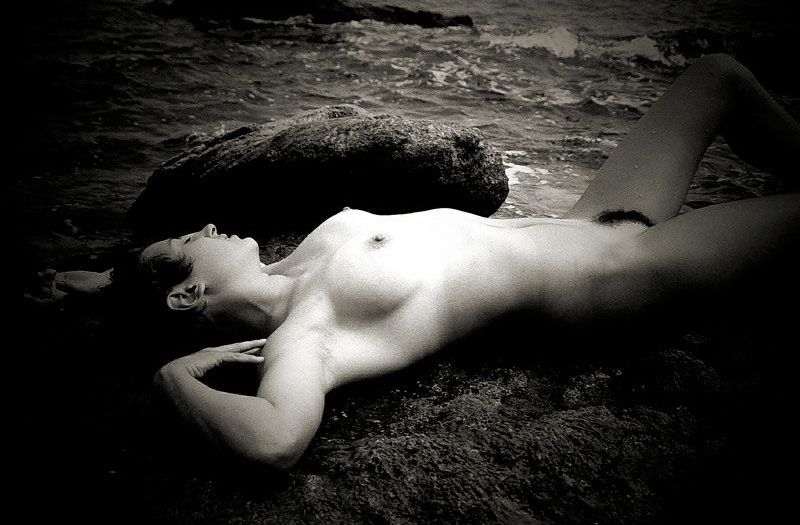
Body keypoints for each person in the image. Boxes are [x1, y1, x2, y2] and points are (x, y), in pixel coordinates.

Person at [33, 54, 800, 470]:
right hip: (624, 277)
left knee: (716, 77)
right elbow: (273, 441)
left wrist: (98, 285)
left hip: (590, 222)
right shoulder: (306, 335)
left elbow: (137, 287)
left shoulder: (295, 265)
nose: (204, 224)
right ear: (187, 294)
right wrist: (171, 377)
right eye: (187, 241)